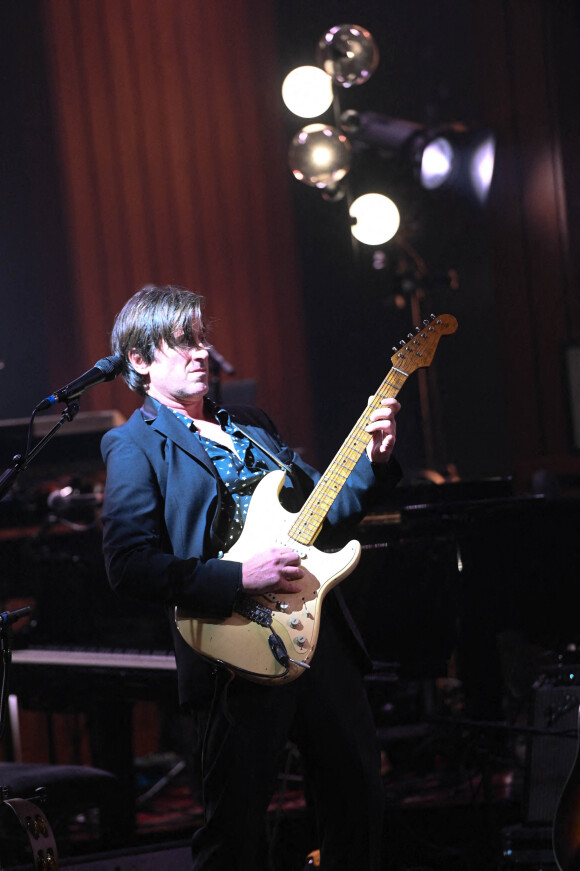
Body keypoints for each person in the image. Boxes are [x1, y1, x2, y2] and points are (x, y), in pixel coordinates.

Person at [100, 284, 402, 870]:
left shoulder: (252, 425)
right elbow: (128, 564)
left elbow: (326, 510)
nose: (201, 351)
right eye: (182, 342)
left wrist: (375, 461)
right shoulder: (134, 443)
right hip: (234, 651)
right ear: (138, 360)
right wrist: (238, 575)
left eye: (202, 339)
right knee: (234, 835)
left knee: (358, 804)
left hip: (317, 640)